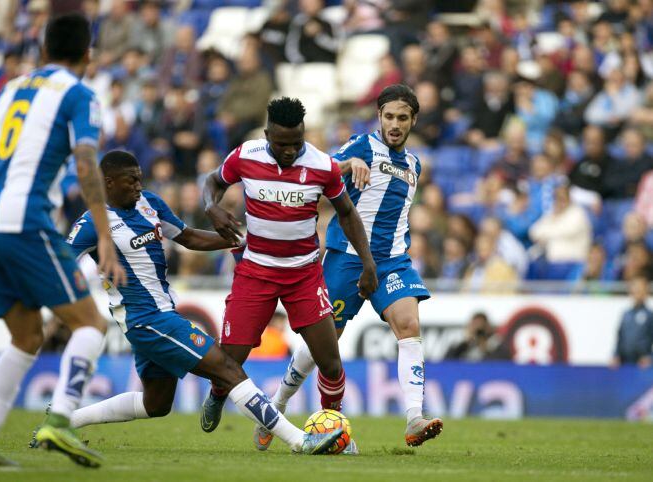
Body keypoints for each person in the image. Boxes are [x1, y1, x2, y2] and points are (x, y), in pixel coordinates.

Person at [48, 150, 342, 456]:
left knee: (156, 403)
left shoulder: (150, 203)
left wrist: (242, 240)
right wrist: (76, 304)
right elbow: (62, 263)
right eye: (131, 180)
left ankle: (64, 418)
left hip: (160, 315)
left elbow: (188, 237)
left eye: (140, 178)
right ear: (108, 182)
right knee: (228, 369)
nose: (138, 185)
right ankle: (299, 440)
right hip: (147, 320)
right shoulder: (92, 223)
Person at [0, 14, 126, 469]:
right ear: (87, 55)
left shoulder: (10, 88)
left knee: (26, 336)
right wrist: (105, 237)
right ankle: (61, 418)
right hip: (25, 223)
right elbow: (88, 161)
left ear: (44, 50)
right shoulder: (79, 94)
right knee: (90, 322)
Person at [261, 85, 443, 450]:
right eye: (389, 116)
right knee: (321, 347)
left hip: (392, 261)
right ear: (378, 116)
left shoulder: (414, 165)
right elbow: (317, 170)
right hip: (347, 258)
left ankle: (413, 418)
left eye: (402, 118)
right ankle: (277, 404)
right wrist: (345, 165)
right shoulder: (361, 147)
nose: (394, 124)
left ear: (413, 121)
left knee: (409, 324)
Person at [199, 97, 378, 451]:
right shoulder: (245, 156)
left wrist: (368, 262)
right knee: (230, 359)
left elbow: (347, 214)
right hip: (256, 271)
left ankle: (335, 431)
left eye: (296, 142)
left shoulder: (322, 165)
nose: (289, 150)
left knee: (330, 361)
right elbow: (212, 181)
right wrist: (211, 207)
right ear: (267, 135)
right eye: (281, 144)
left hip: (304, 274)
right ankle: (218, 392)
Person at [611, 276, 653, 368]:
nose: (638, 293)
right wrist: (615, 355)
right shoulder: (626, 315)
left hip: (642, 363)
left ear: (646, 292)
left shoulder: (650, 315)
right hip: (624, 362)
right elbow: (620, 336)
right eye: (635, 289)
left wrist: (650, 357)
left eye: (640, 290)